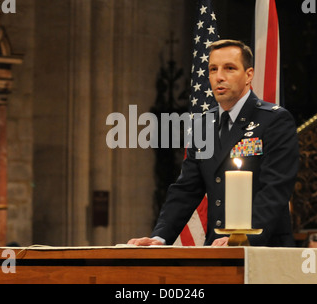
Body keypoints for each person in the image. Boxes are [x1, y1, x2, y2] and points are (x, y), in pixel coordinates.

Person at [127, 39, 299, 247]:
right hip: (216, 248)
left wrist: (243, 239)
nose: (219, 77)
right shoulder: (203, 125)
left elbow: (275, 189)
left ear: (249, 75)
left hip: (262, 248)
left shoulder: (274, 120)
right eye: (213, 69)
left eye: (229, 68)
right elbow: (186, 189)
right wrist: (159, 237)